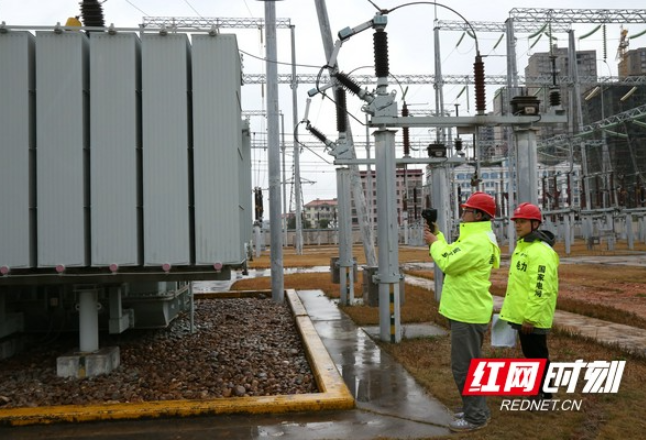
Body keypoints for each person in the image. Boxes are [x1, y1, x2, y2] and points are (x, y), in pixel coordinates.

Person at [423, 191, 500, 432]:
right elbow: (450, 253)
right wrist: (438, 237)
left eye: (466, 210)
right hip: (465, 309)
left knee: (465, 367)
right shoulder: (474, 239)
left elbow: (447, 262)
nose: (462, 214)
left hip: (467, 312)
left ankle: (476, 417)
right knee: (470, 365)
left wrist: (434, 244)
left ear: (478, 215)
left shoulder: (477, 242)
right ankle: (475, 409)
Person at [500, 202, 559, 400]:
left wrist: (531, 317)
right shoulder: (524, 247)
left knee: (538, 355)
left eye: (522, 221)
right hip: (524, 315)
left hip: (532, 317)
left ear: (535, 224)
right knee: (531, 354)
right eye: (516, 221)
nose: (517, 225)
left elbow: (540, 288)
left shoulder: (540, 252)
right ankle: (536, 390)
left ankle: (544, 394)